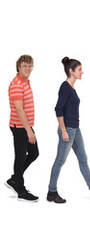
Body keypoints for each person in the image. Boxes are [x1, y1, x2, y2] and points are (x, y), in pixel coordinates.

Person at [45, 57, 90, 203]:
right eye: (79, 69)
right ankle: (51, 191)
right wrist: (63, 130)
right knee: (60, 161)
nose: (82, 72)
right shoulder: (65, 87)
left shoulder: (72, 87)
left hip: (75, 128)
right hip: (67, 129)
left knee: (83, 159)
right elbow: (58, 108)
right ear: (71, 71)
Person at [6, 55, 40, 202]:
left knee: (34, 153)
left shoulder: (24, 82)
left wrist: (29, 128)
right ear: (18, 67)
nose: (28, 68)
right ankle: (21, 190)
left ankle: (14, 179)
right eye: (25, 65)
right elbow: (19, 110)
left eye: (30, 66)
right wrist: (29, 131)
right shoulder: (16, 84)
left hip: (25, 126)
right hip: (20, 127)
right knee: (20, 157)